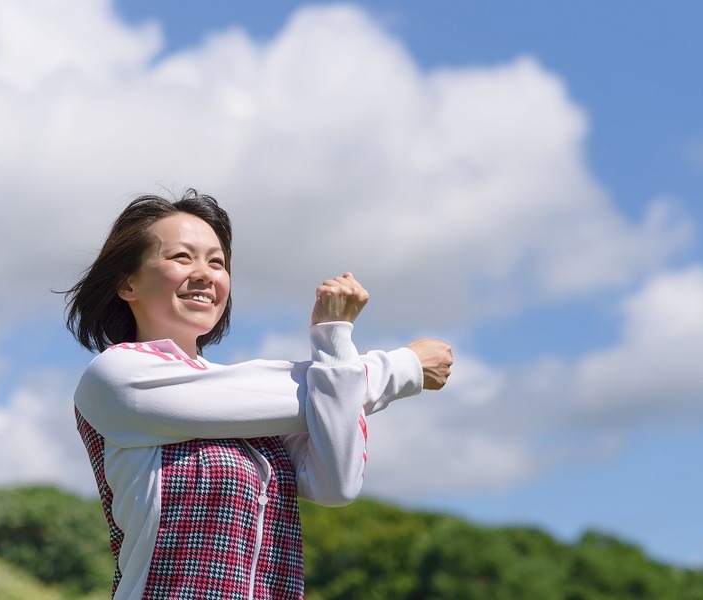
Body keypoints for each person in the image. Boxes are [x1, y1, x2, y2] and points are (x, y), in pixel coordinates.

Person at [64, 189, 453, 600]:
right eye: (182, 257)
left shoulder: (254, 407)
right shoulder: (114, 375)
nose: (204, 273)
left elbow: (335, 485)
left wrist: (336, 343)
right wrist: (402, 367)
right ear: (128, 283)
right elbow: (311, 394)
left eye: (217, 262)